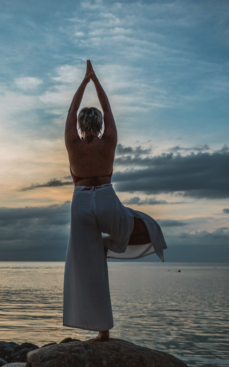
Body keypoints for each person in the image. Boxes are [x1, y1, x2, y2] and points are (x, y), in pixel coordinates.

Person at [63, 60, 167, 341]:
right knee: (127, 229)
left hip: (82, 201)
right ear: (98, 124)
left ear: (81, 125)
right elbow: (107, 109)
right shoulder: (108, 141)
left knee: (88, 264)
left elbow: (71, 111)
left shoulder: (73, 144)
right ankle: (113, 245)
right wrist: (95, 80)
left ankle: (101, 328)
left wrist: (83, 82)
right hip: (107, 197)